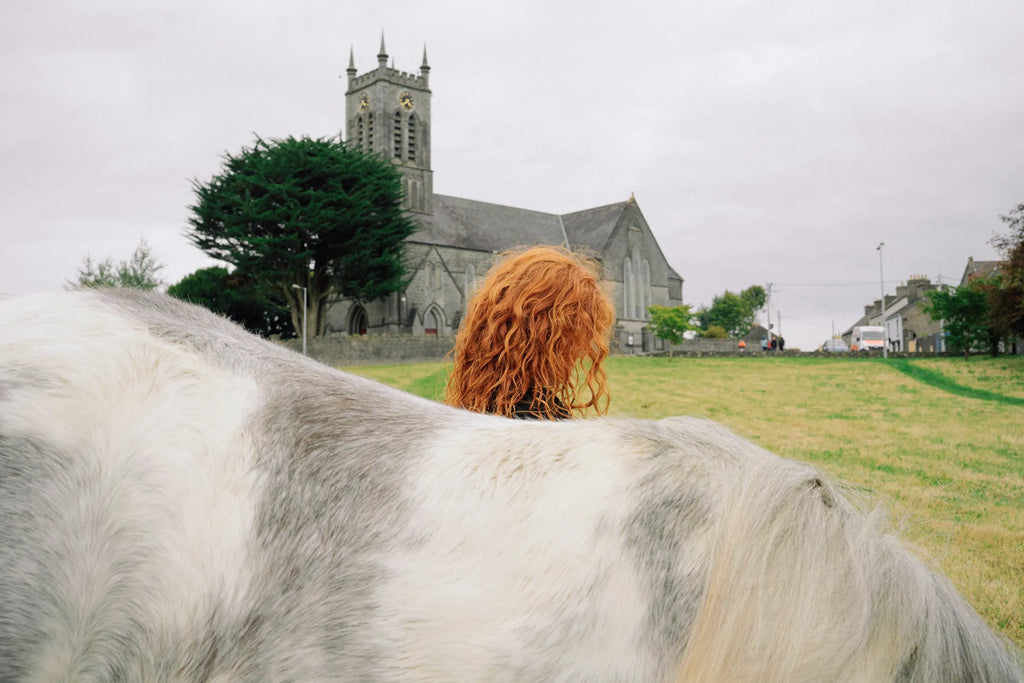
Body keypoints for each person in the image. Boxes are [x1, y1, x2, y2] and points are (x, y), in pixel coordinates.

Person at [445, 245, 614, 420]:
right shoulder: (543, 423)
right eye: (581, 332)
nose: (582, 349)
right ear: (551, 337)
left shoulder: (475, 407)